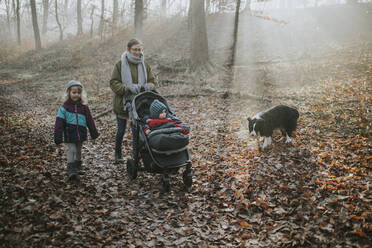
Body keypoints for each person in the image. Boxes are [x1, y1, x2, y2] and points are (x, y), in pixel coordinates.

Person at [110, 38, 155, 164]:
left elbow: (152, 80)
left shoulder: (145, 65)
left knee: (137, 131)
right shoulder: (120, 64)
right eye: (134, 49)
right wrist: (126, 88)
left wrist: (150, 86)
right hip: (123, 104)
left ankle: (137, 155)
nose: (137, 52)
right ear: (128, 50)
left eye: (139, 49)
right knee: (121, 130)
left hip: (140, 104)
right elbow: (113, 82)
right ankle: (118, 153)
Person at [54, 80, 99, 180]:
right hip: (69, 133)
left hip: (81, 133)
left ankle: (78, 166)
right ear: (69, 93)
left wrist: (93, 132)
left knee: (78, 150)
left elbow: (90, 120)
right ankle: (71, 169)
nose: (76, 95)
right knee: (72, 150)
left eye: (78, 92)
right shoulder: (64, 107)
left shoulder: (84, 107)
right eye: (74, 92)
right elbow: (59, 122)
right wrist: (58, 135)